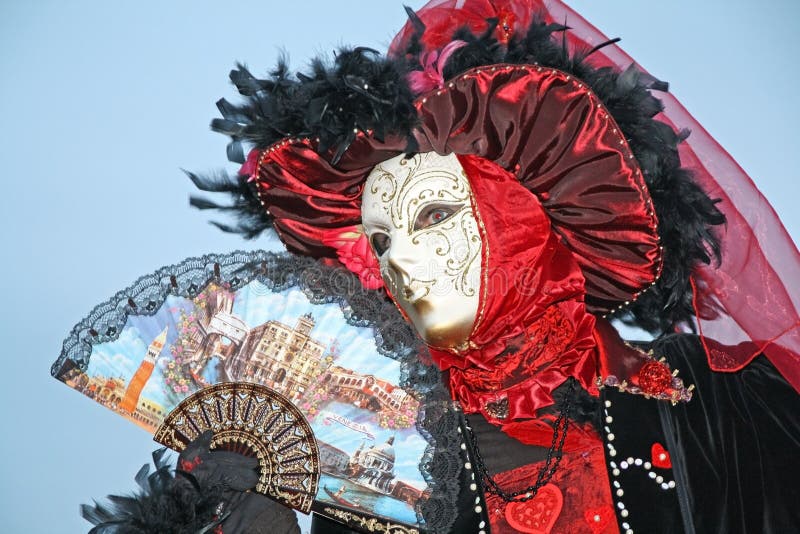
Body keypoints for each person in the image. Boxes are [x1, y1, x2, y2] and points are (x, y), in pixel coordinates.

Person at [87, 0, 800, 532]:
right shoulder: (380, 473)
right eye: (382, 242)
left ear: (525, 211)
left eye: (431, 216)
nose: (404, 263)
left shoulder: (715, 397)